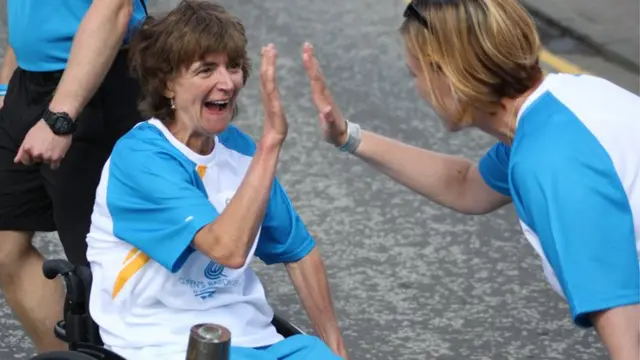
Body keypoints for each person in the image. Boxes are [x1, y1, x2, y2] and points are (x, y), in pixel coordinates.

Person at [301, 0, 640, 359]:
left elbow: (627, 339)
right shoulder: (563, 105)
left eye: (415, 74)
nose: (418, 90)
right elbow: (466, 185)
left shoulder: (551, 159)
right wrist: (346, 136)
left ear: (449, 73)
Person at [85, 2, 348, 360]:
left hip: (250, 335)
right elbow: (228, 249)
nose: (226, 83)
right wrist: (271, 144)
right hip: (161, 339)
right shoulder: (141, 157)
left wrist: (336, 351)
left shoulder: (240, 150)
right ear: (167, 84)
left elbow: (299, 251)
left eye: (234, 67)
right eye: (206, 69)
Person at [0, 0, 147, 353]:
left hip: (99, 77)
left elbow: (115, 6)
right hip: (28, 81)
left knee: (107, 270)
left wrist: (60, 117)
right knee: (5, 247)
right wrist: (6, 87)